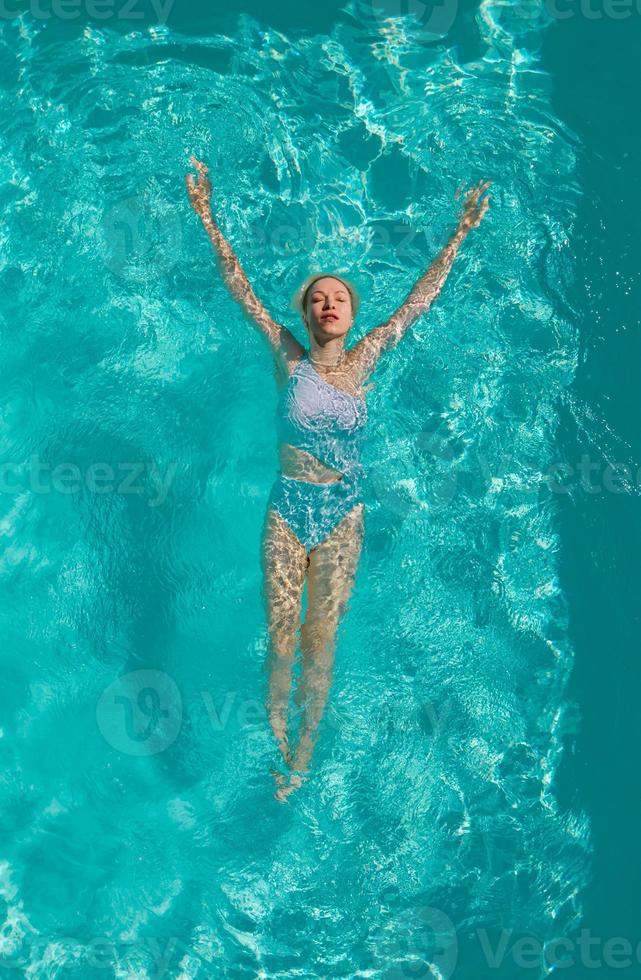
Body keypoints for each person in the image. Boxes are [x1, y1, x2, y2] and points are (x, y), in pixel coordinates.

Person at [186, 156, 490, 801]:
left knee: (321, 638)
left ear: (351, 314)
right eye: (318, 298)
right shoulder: (286, 355)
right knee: (280, 629)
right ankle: (273, 735)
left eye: (339, 297)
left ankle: (301, 756)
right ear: (305, 312)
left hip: (344, 510)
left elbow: (420, 301)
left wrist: (459, 234)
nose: (328, 303)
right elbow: (239, 288)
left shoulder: (370, 354)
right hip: (288, 507)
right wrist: (207, 217)